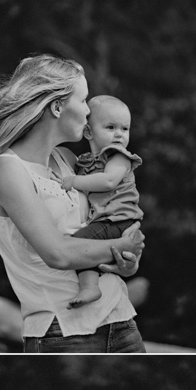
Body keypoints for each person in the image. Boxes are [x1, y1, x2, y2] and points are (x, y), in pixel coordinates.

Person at [0, 54, 146, 353]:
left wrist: (126, 262)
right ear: (57, 107)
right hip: (63, 333)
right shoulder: (8, 170)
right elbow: (57, 253)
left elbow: (104, 231)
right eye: (83, 101)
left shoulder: (71, 162)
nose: (88, 112)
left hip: (121, 321)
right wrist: (122, 244)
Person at [59, 96, 144, 310]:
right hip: (108, 221)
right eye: (110, 127)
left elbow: (108, 181)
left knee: (80, 242)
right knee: (87, 245)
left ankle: (90, 287)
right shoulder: (85, 160)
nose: (119, 134)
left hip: (118, 220)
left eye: (125, 129)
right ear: (89, 132)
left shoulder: (119, 157)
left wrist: (74, 181)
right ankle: (93, 284)